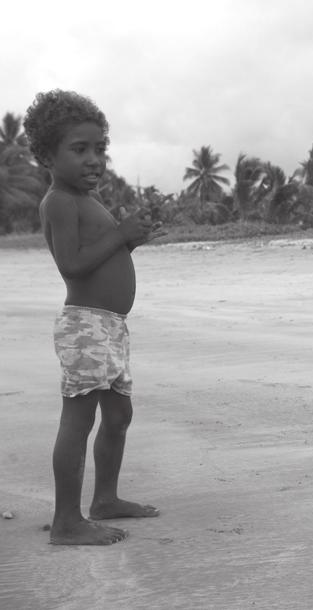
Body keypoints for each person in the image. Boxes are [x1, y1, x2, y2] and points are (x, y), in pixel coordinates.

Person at [24, 90, 165, 545]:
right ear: (47, 155)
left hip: (110, 327)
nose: (94, 159)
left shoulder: (88, 200)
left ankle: (105, 498)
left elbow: (103, 255)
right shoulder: (59, 202)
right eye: (79, 149)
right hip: (85, 325)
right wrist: (121, 234)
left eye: (99, 148)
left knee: (119, 415)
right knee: (79, 420)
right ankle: (67, 520)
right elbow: (73, 264)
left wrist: (131, 239)